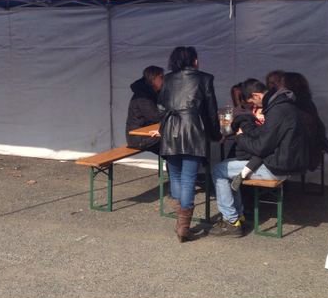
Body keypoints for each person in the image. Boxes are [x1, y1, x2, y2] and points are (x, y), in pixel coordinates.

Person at [211, 77, 308, 237]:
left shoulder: (277, 110)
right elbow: (265, 137)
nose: (255, 106)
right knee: (226, 166)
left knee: (219, 170)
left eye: (253, 102)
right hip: (283, 161)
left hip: (277, 165)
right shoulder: (283, 104)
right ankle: (237, 216)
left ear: (256, 95)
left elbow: (261, 147)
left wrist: (240, 137)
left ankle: (231, 221)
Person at [158, 46, 220, 242]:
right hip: (192, 128)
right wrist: (215, 134)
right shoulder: (205, 78)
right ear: (194, 60)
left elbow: (160, 105)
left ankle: (181, 222)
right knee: (188, 178)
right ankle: (183, 226)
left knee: (175, 174)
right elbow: (210, 111)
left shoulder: (167, 79)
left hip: (170, 128)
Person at [282, 71, 328, 171]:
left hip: (303, 149)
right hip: (308, 146)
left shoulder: (297, 104)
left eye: (282, 83)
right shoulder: (305, 101)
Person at [125, 65, 164, 153]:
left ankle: (174, 165)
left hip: (146, 134)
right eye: (161, 77)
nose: (163, 80)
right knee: (171, 143)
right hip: (137, 138)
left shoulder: (150, 93)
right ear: (153, 79)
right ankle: (173, 165)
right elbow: (155, 117)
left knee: (171, 141)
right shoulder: (142, 96)